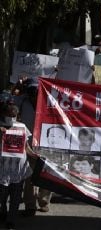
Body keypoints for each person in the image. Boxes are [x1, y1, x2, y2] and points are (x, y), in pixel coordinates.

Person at [14, 79, 53, 217]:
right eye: (31, 90)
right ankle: (30, 205)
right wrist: (19, 88)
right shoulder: (23, 102)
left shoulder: (49, 102)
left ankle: (44, 202)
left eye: (36, 90)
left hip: (46, 144)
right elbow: (9, 104)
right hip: (27, 144)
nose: (34, 93)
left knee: (47, 174)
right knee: (29, 175)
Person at [0, 98, 33, 229]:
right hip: (3, 168)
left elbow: (26, 147)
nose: (11, 119)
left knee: (15, 195)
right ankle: (3, 210)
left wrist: (34, 154)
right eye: (9, 116)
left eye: (13, 116)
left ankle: (11, 219)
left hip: (18, 168)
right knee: (2, 195)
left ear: (17, 116)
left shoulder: (22, 127)